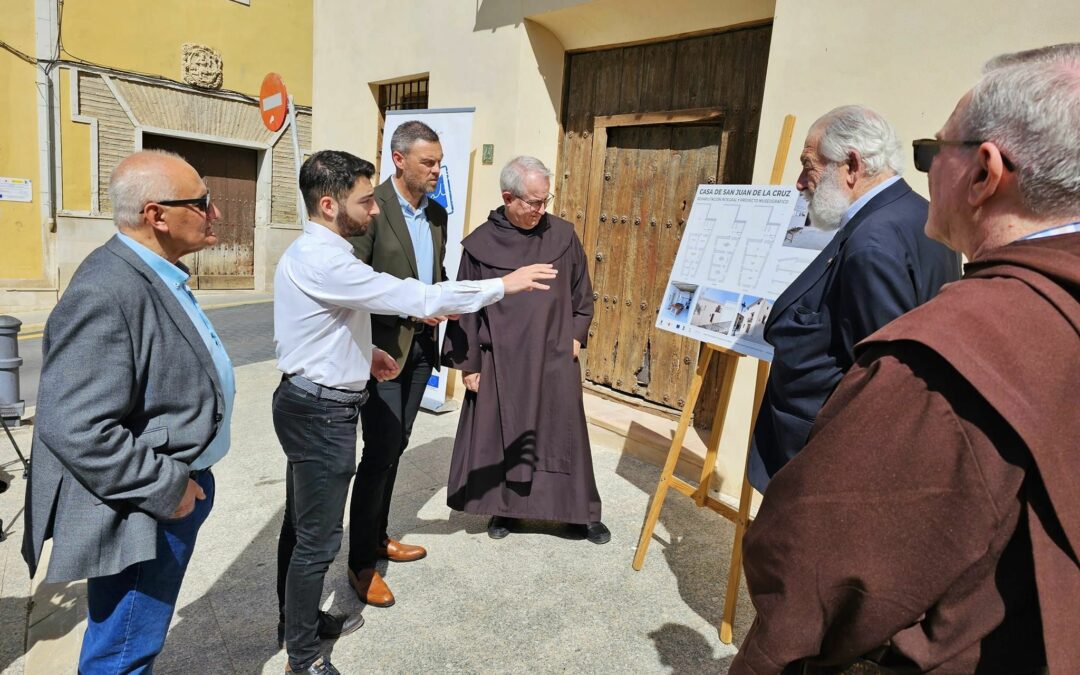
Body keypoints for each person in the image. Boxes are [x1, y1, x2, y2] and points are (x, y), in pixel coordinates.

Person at [731, 43, 1080, 674]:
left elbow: (825, 569)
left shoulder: (932, 356)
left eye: (931, 153)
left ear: (983, 173)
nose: (923, 176)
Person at [273, 150, 557, 675]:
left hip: (312, 397)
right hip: (319, 412)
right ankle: (303, 657)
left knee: (302, 526)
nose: (374, 210)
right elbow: (413, 295)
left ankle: (299, 622)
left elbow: (323, 325)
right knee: (316, 539)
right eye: (364, 200)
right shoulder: (325, 259)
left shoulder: (318, 252)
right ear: (331, 204)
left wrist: (365, 355)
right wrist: (502, 285)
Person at [21, 150, 236, 673]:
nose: (216, 214)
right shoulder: (106, 288)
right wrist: (168, 487)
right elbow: (73, 424)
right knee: (123, 653)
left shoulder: (155, 271)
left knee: (128, 640)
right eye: (203, 203)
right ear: (156, 215)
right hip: (146, 504)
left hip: (166, 490)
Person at [747, 105, 960, 492]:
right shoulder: (919, 214)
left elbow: (882, 380)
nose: (799, 182)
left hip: (827, 467)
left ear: (851, 165)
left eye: (809, 165)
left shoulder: (872, 243)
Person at [442, 156, 609, 544]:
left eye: (544, 200)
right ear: (507, 197)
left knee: (562, 432)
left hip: (554, 355)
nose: (540, 210)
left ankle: (577, 512)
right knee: (503, 433)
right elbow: (465, 305)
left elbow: (582, 294)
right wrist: (469, 365)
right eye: (533, 202)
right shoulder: (480, 245)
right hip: (500, 359)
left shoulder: (563, 236)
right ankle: (505, 509)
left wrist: (575, 336)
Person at [344, 121, 446, 608]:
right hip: (383, 351)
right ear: (399, 159)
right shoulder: (372, 211)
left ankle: (379, 536)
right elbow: (354, 283)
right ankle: (361, 562)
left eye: (439, 162)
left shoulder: (439, 215)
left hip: (423, 347)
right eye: (429, 162)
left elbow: (438, 276)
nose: (436, 171)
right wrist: (409, 307)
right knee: (380, 449)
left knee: (397, 446)